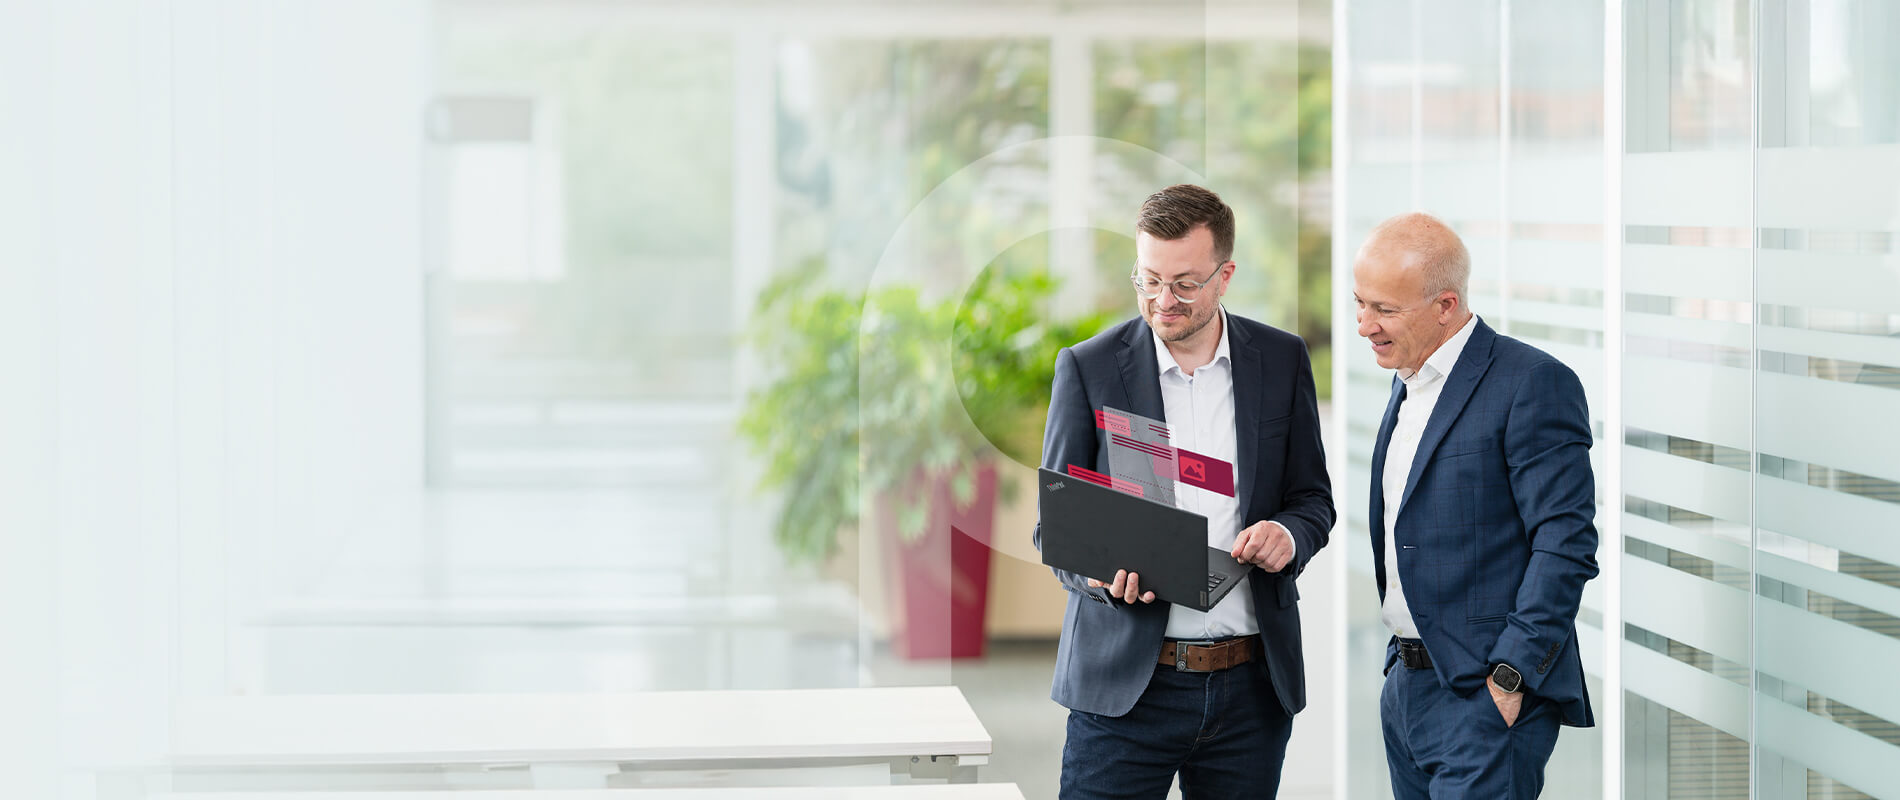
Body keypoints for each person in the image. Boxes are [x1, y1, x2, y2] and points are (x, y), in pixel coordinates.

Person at [1035, 184, 1334, 799]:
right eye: (1148, 280)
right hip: (1123, 692)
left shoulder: (1281, 361)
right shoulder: (1089, 368)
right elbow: (1055, 527)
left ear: (1225, 276)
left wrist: (1288, 534)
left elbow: (1313, 499)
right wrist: (1095, 573)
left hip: (1250, 692)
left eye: (1184, 285)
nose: (1162, 301)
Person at [1352, 212, 1599, 798]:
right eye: (1360, 303)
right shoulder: (1408, 378)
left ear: (1445, 305)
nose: (1365, 325)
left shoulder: (1532, 382)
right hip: (1407, 685)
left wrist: (1511, 675)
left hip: (1485, 697)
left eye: (1384, 309)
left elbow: (1566, 543)